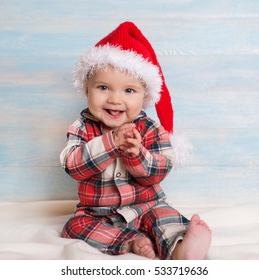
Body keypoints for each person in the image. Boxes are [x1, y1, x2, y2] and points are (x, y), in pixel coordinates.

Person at [60, 21, 211, 260]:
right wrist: (110, 143)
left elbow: (160, 170)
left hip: (148, 206)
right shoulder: (82, 127)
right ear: (86, 90)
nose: (115, 99)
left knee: (165, 219)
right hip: (97, 213)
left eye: (129, 91)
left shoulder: (150, 128)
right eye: (103, 87)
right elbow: (73, 166)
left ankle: (182, 247)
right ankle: (129, 243)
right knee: (73, 228)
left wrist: (137, 155)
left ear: (144, 96)